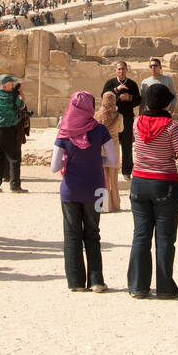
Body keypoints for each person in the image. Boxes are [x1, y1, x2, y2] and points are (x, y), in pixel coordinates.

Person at [127, 83, 178, 299]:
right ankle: (165, 287)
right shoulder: (172, 127)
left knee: (140, 235)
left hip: (139, 181)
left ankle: (138, 286)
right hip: (165, 184)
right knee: (165, 238)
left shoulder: (136, 123)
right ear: (168, 103)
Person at [51, 91, 117, 292]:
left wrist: (69, 160)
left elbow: (54, 167)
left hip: (70, 191)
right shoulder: (100, 131)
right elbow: (114, 161)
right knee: (93, 233)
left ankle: (76, 282)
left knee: (71, 235)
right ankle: (96, 281)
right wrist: (98, 160)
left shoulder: (64, 132)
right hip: (97, 190)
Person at [0, 73, 27, 193]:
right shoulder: (12, 97)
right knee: (14, 158)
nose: (13, 85)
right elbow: (22, 106)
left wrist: (13, 90)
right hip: (6, 130)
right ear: (5, 86)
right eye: (11, 84)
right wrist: (20, 92)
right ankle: (15, 186)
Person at [101, 61, 141, 178]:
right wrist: (117, 90)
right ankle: (110, 170)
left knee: (127, 145)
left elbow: (138, 100)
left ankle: (127, 171)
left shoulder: (132, 84)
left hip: (127, 118)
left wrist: (129, 97)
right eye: (119, 69)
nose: (121, 71)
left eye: (123, 69)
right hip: (112, 119)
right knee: (110, 144)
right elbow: (104, 96)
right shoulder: (110, 83)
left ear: (126, 69)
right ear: (115, 70)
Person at [95, 91, 123, 212]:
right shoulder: (118, 116)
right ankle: (115, 204)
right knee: (113, 177)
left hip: (101, 148)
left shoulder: (97, 115)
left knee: (102, 177)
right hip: (114, 147)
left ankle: (103, 206)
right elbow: (121, 130)